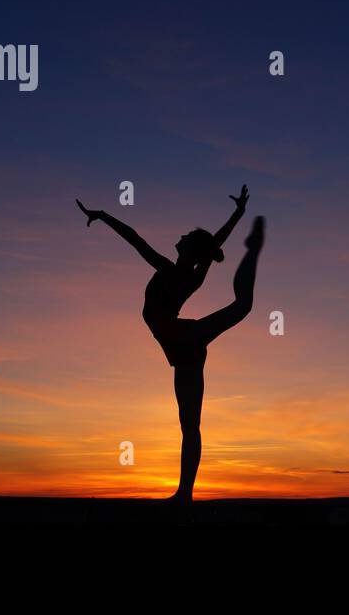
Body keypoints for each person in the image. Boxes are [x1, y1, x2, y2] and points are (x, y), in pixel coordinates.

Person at [75, 186, 264, 506]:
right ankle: (184, 495)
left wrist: (103, 215)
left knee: (242, 307)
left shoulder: (171, 270)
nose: (181, 235)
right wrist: (237, 214)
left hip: (183, 339)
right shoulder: (193, 275)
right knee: (189, 424)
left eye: (187, 235)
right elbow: (213, 243)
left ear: (189, 248)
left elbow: (135, 239)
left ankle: (253, 250)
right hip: (182, 349)